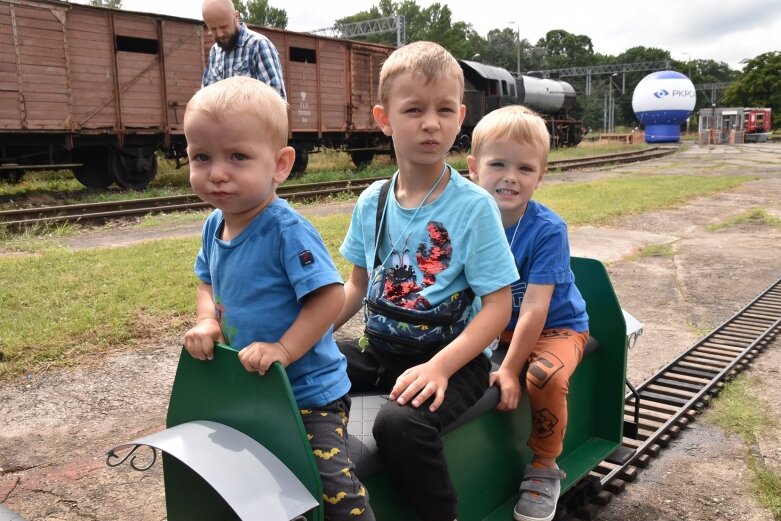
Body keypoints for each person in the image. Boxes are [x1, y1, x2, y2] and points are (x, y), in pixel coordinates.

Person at [334, 41, 518, 521]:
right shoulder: (373, 200)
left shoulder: (473, 206)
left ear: (460, 117)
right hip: (382, 352)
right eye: (413, 109)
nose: (430, 123)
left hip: (454, 362)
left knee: (398, 425)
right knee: (305, 367)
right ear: (384, 118)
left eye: (443, 110)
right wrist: (304, 336)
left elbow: (498, 309)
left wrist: (439, 368)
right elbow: (355, 288)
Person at [182, 76, 372, 520]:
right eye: (201, 157)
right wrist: (208, 319)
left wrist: (284, 349)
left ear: (280, 164)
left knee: (334, 490)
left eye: (238, 157)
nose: (217, 173)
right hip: (250, 387)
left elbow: (328, 298)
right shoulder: (215, 224)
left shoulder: (286, 230)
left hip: (309, 393)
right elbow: (206, 281)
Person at [467, 105, 590, 521]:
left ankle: (544, 466)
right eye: (497, 163)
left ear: (541, 175)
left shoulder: (547, 229)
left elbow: (536, 308)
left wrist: (509, 368)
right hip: (496, 324)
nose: (510, 177)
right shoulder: (468, 221)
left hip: (557, 328)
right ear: (473, 168)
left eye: (524, 168)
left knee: (544, 376)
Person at [201, 0, 287, 100]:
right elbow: (204, 100)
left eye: (223, 27)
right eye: (213, 29)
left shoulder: (258, 46)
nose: (220, 34)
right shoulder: (214, 53)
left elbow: (276, 102)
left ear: (236, 16)